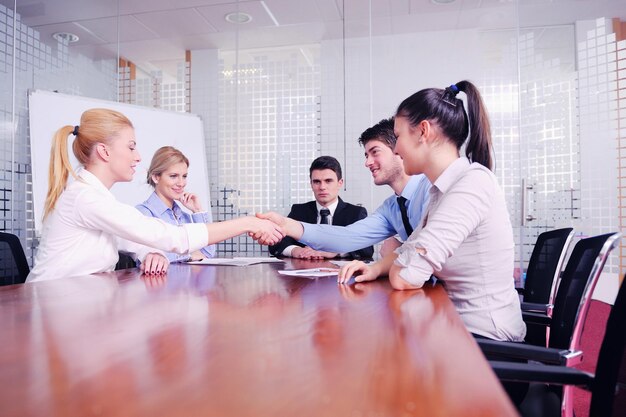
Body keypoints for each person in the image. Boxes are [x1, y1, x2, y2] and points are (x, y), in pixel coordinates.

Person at [337, 81, 525, 343]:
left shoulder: (471, 183)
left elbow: (406, 276)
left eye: (399, 136)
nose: (398, 149)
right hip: (454, 326)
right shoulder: (441, 190)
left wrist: (395, 262)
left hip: (486, 343)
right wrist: (376, 267)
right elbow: (410, 250)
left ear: (423, 131)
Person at [27, 108, 283, 283]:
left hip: (77, 304)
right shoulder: (85, 198)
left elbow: (124, 239)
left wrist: (148, 252)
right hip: (50, 306)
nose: (138, 156)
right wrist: (248, 222)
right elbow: (173, 238)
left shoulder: (96, 197)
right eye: (131, 147)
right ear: (104, 152)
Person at [257, 118, 431, 256]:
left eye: (375, 152)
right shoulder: (391, 208)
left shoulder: (432, 189)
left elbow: (430, 251)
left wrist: (397, 253)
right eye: (366, 155)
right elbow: (347, 237)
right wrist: (286, 225)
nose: (367, 163)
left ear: (399, 150)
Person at [269, 156, 373, 260]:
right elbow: (276, 242)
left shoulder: (355, 213)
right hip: (304, 272)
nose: (322, 187)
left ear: (340, 183)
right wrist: (295, 250)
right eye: (317, 181)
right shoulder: (299, 210)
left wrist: (335, 251)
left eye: (328, 181)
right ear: (311, 184)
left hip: (341, 273)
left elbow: (367, 249)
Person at [136, 146, 216, 263]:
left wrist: (197, 211)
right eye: (173, 176)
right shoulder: (143, 214)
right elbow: (147, 259)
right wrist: (189, 255)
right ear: (156, 177)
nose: (181, 183)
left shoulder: (185, 217)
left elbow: (208, 253)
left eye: (184, 176)